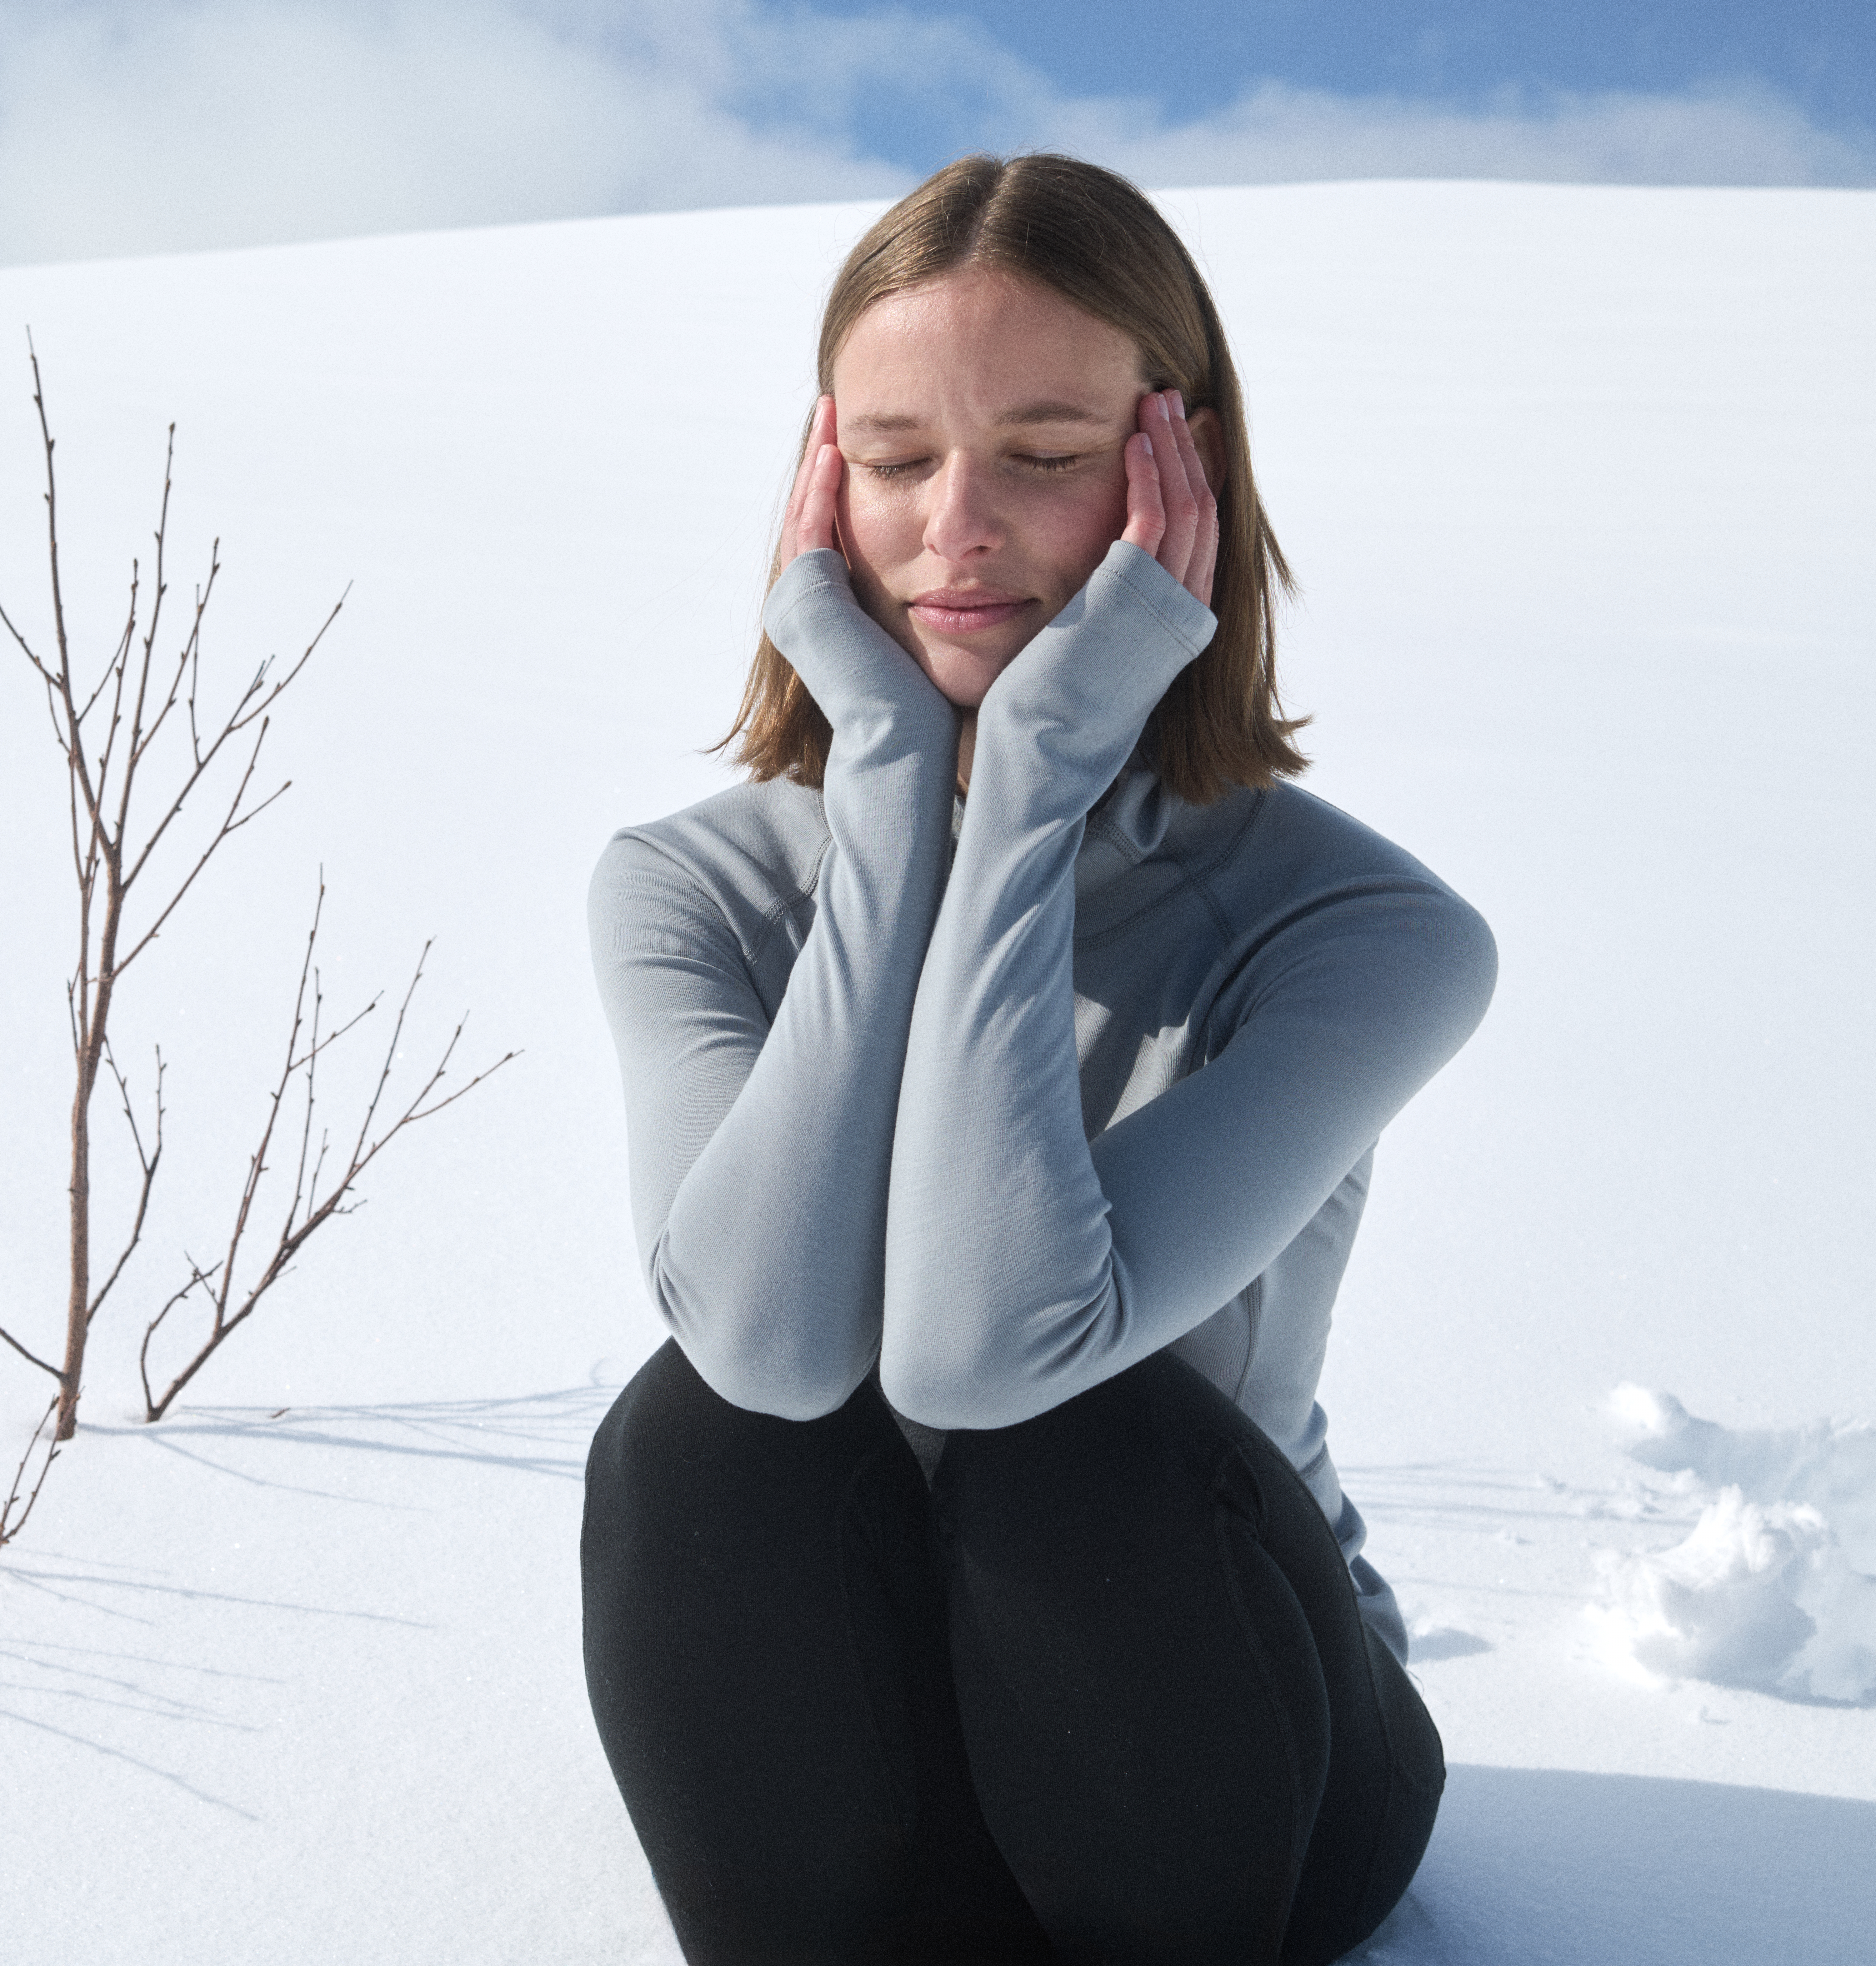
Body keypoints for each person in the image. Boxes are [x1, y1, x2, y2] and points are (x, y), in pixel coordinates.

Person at [581, 153, 1497, 1965]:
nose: (958, 527)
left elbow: (997, 1354)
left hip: (1234, 1760)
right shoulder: (685, 886)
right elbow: (767, 1341)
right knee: (701, 1426)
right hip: (872, 1769)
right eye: (898, 459)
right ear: (818, 487)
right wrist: (883, 809)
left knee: (1073, 1432)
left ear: (1183, 481)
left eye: (1050, 454)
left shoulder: (1364, 932)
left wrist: (1027, 801)